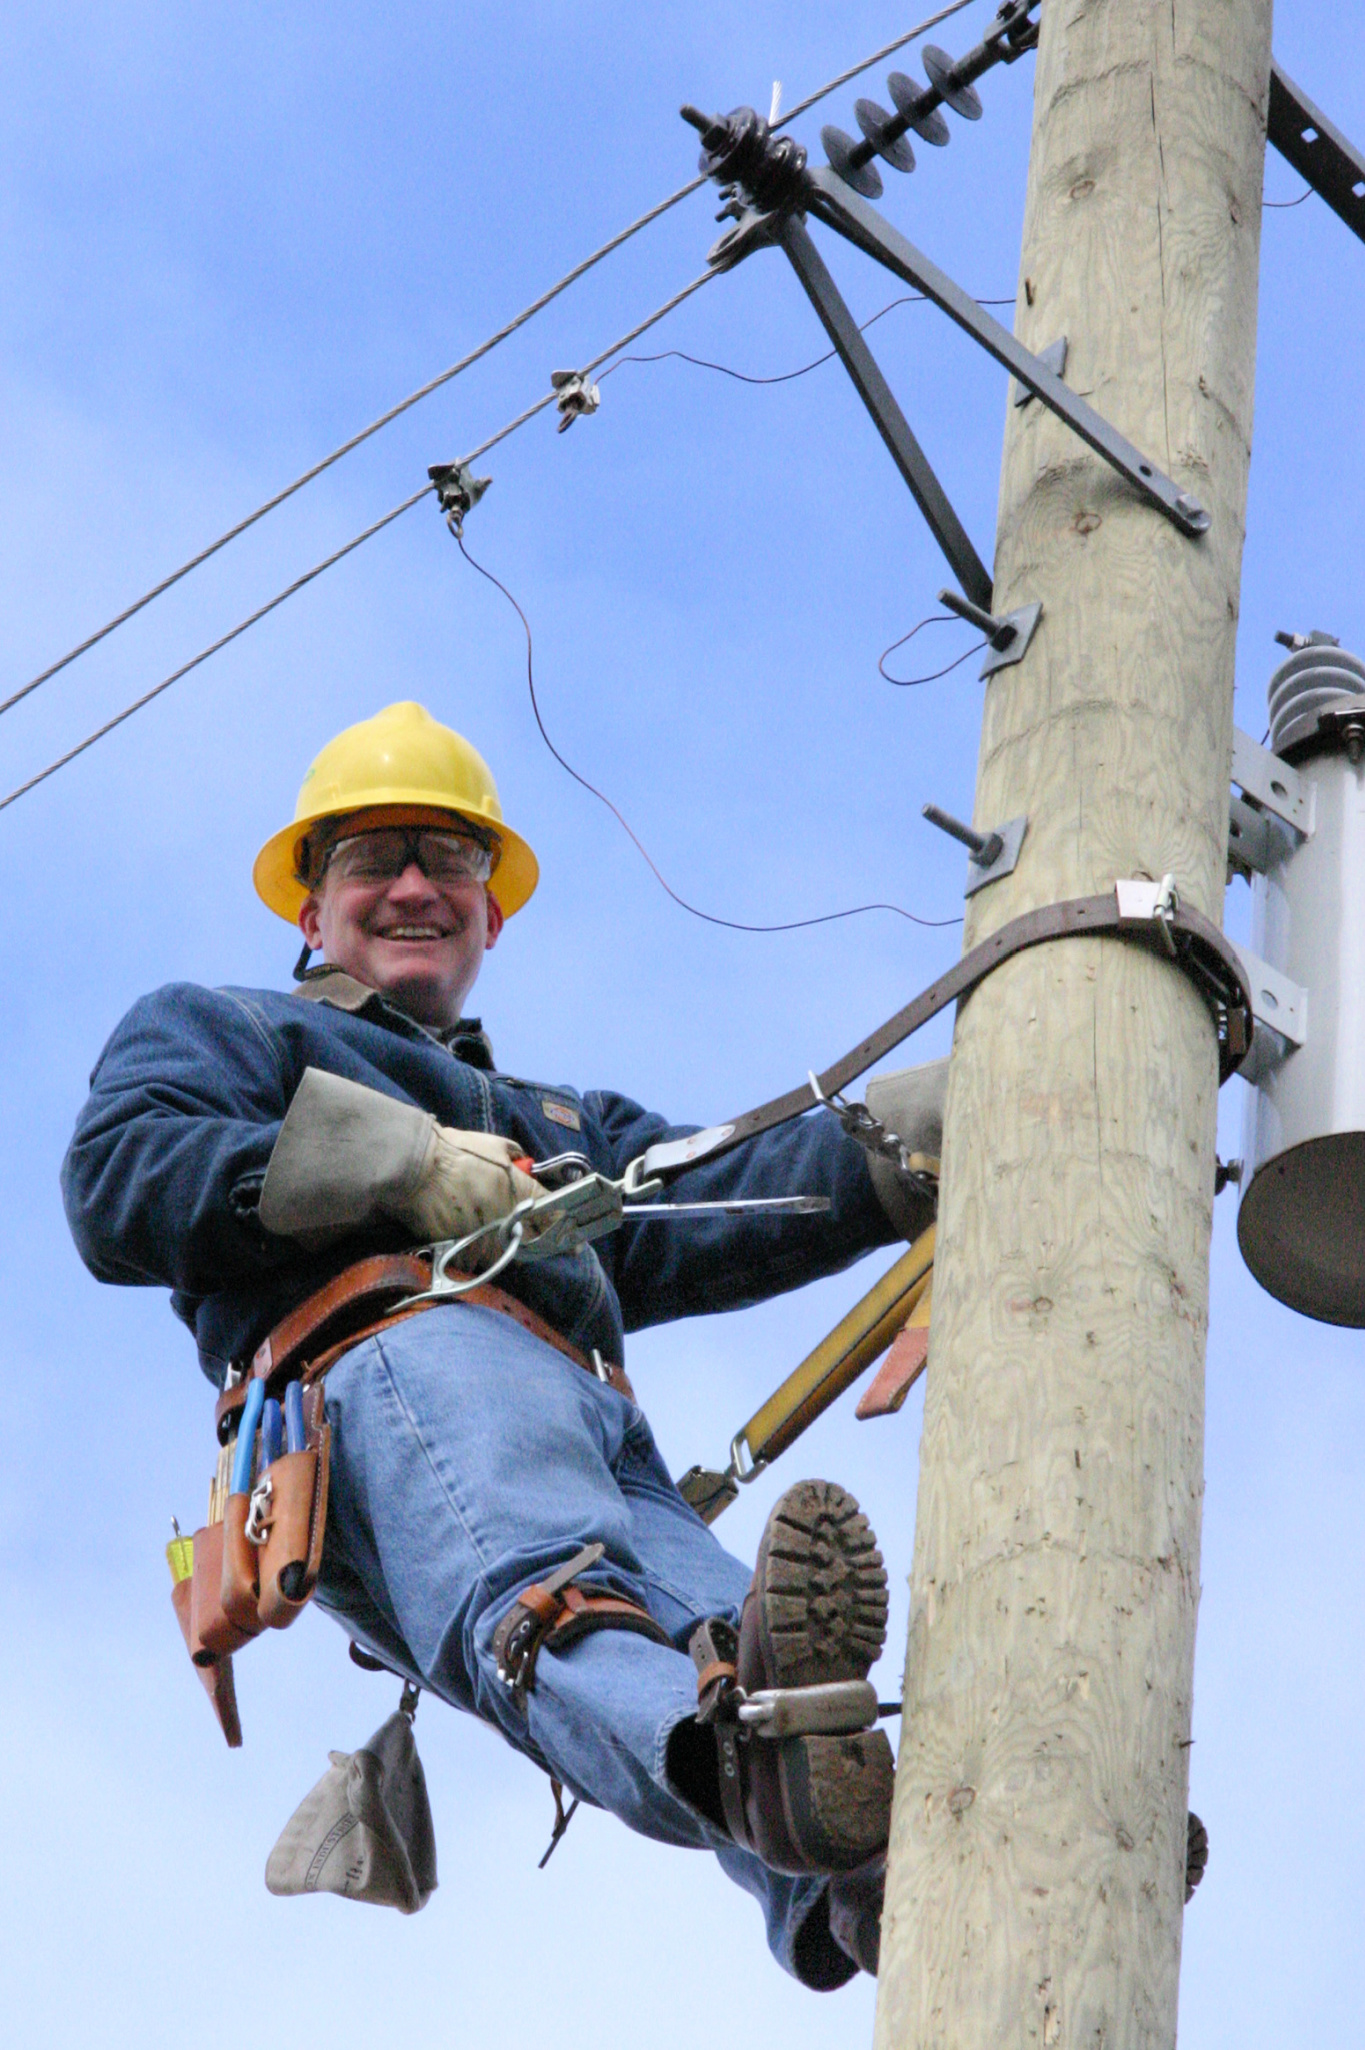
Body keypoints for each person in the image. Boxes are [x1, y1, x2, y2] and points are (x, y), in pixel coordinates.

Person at [62, 700, 947, 1989]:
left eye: (449, 861)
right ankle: (779, 1791)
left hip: (595, 1420)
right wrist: (397, 1166)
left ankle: (871, 1878)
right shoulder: (229, 1028)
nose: (414, 885)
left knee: (732, 1648)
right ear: (310, 911)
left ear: (492, 911)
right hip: (392, 1366)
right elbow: (119, 1177)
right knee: (552, 1598)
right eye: (373, 859)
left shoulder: (553, 1120)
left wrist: (921, 1133)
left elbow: (723, 1190)